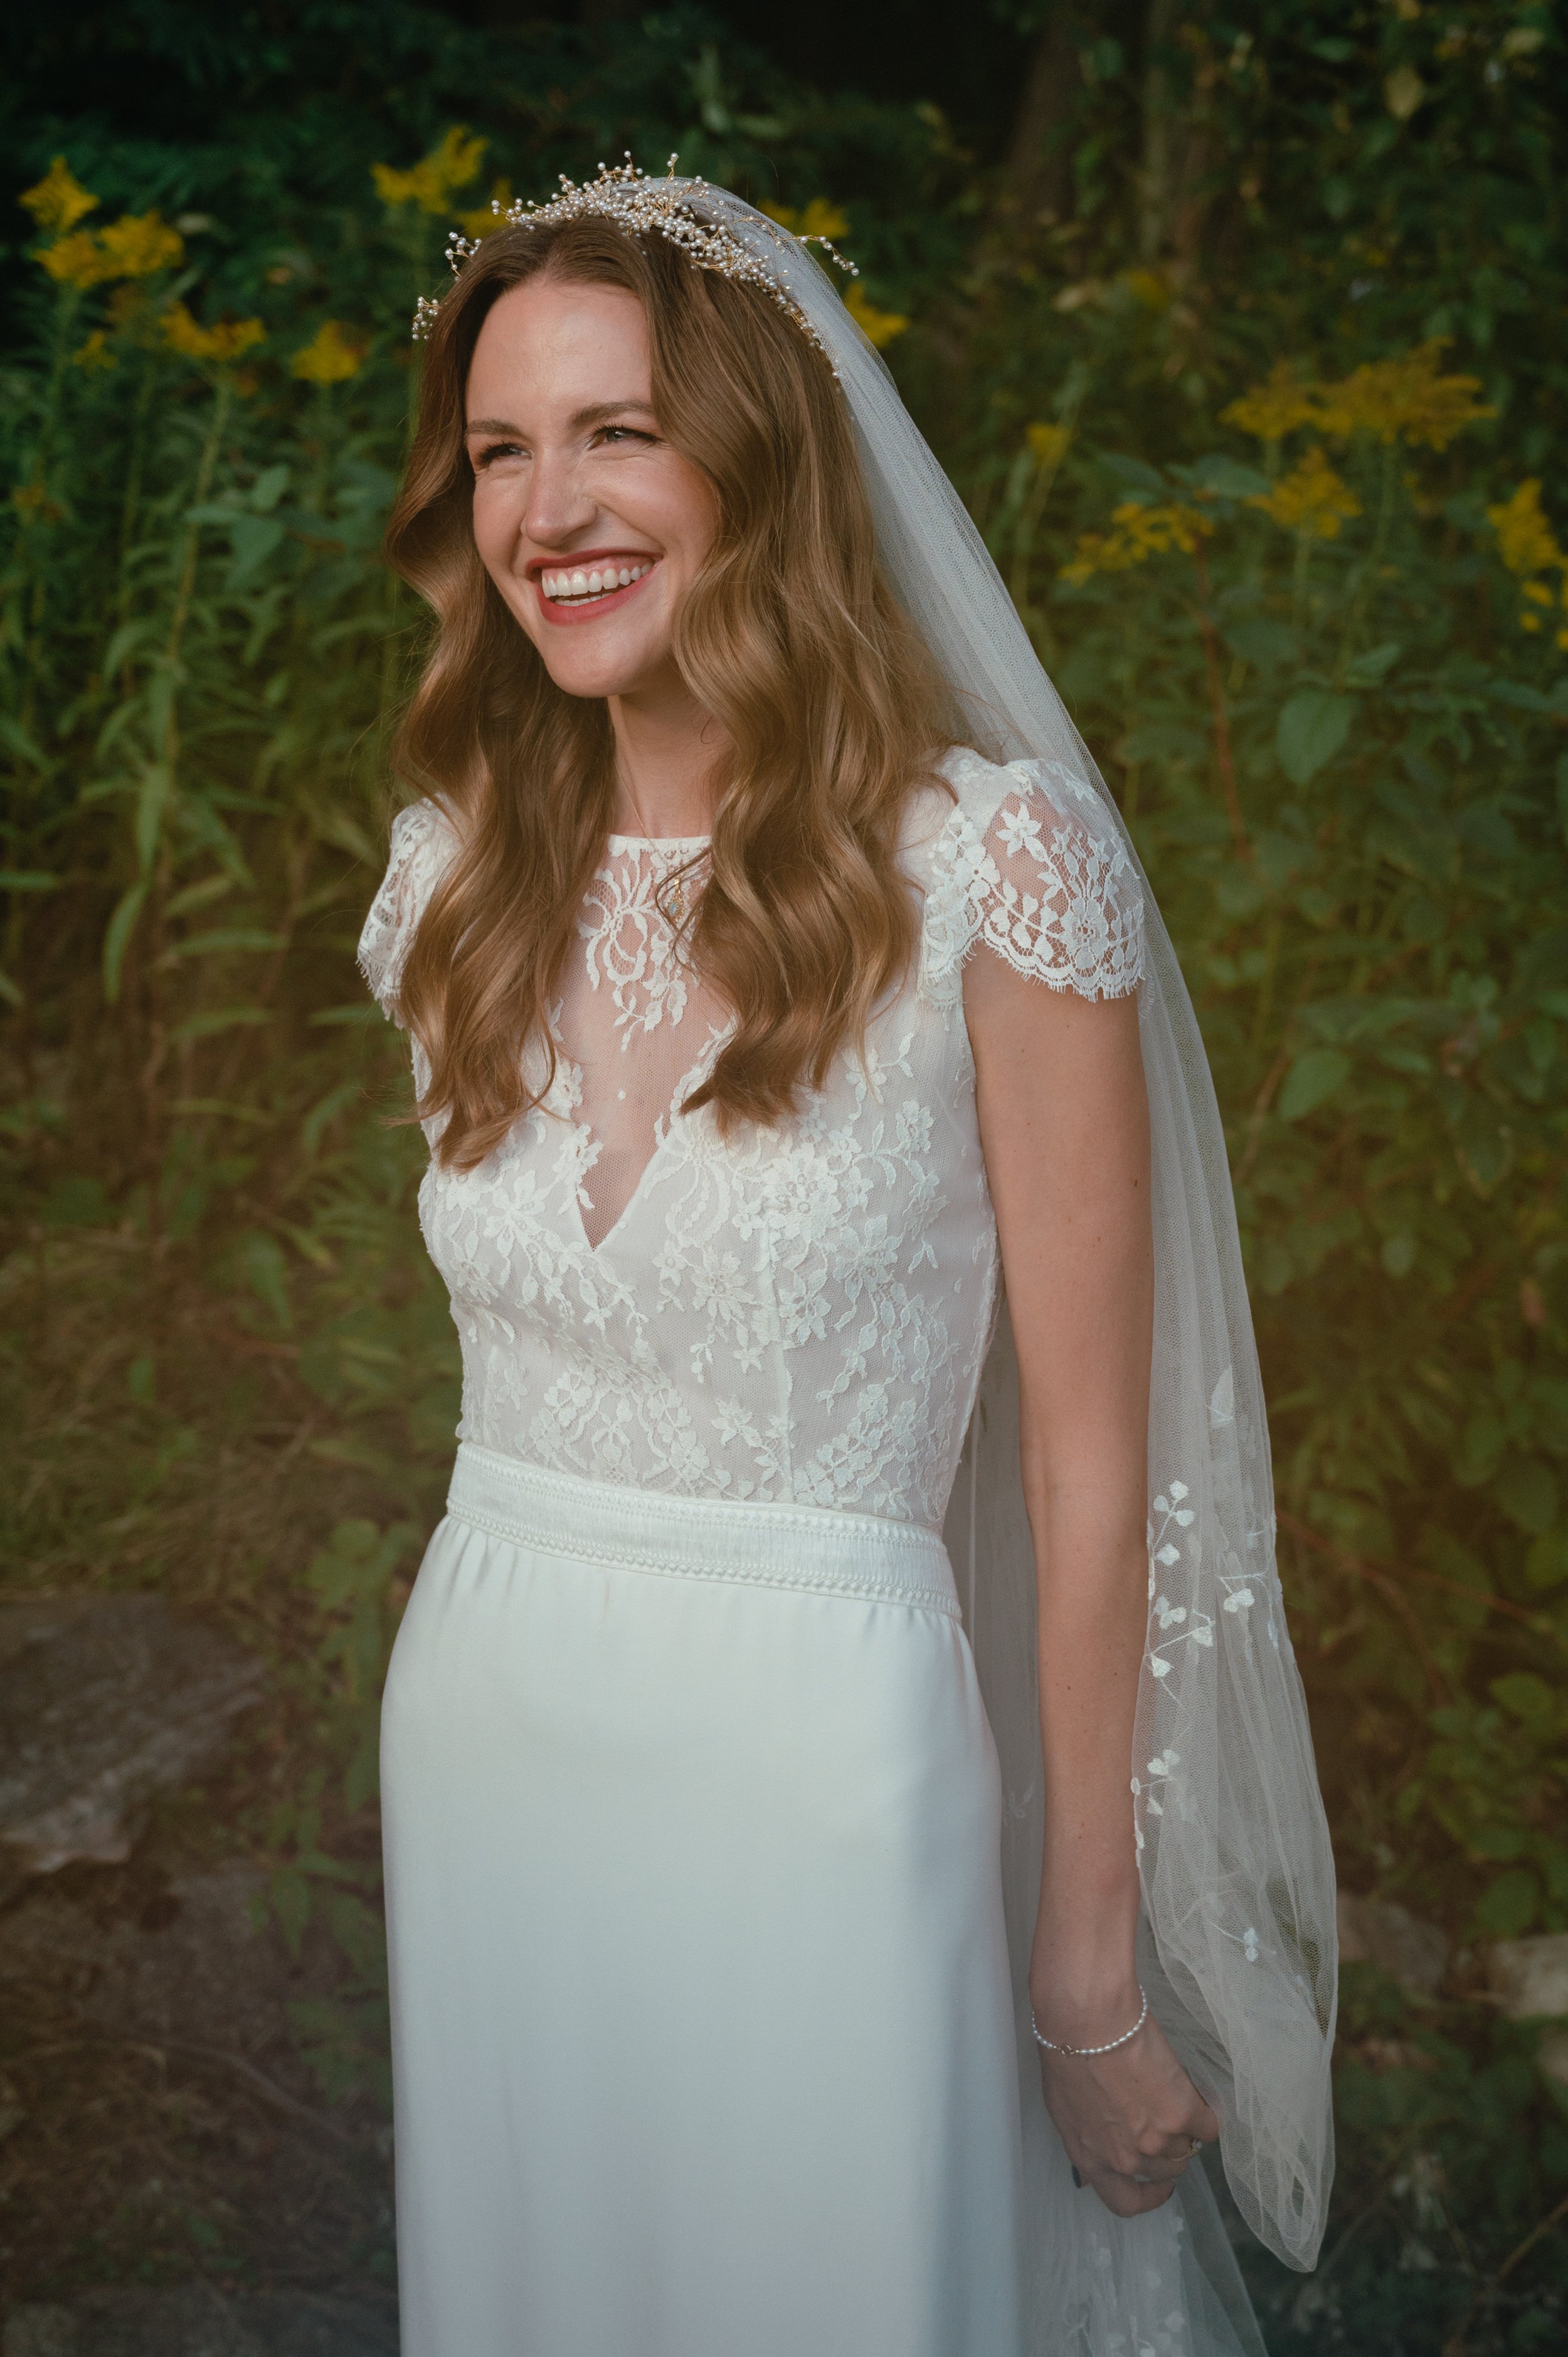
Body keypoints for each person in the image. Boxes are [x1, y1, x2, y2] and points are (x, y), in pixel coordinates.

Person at [358, 164, 1337, 2357]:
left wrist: (1087, 1956)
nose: (550, 508)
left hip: (823, 1760)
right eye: (501, 449)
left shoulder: (995, 867)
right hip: (491, 1721)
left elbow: (1094, 1468)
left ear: (757, 461)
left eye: (617, 430)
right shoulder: (449, 891)